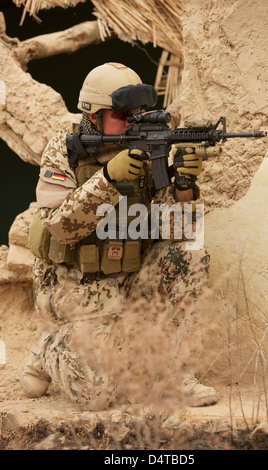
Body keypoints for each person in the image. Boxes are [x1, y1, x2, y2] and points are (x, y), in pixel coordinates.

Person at [20, 62, 217, 410]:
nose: (133, 122)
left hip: (128, 276)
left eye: (139, 113)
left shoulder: (147, 148)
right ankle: (51, 345)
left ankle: (176, 371)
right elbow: (60, 229)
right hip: (74, 288)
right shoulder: (64, 149)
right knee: (98, 396)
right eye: (122, 115)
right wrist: (107, 180)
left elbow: (174, 227)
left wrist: (183, 187)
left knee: (190, 250)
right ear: (93, 116)